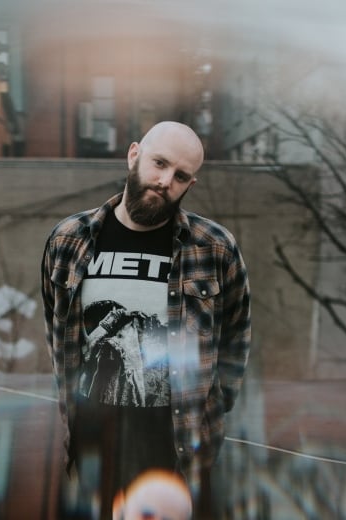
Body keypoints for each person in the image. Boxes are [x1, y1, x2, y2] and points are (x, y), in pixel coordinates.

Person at [41, 121, 252, 518]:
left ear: (191, 183)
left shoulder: (215, 248)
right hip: (94, 445)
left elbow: (237, 336)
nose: (165, 181)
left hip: (176, 448)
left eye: (181, 176)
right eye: (160, 163)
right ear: (134, 154)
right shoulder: (67, 240)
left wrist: (210, 409)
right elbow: (57, 332)